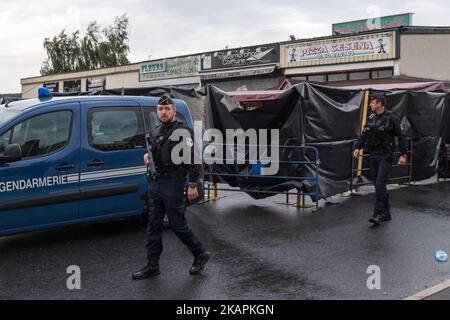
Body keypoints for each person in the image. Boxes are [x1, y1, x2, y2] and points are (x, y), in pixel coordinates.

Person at [132, 94, 210, 280]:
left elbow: (193, 159)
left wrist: (192, 184)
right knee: (153, 226)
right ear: (157, 112)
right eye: (160, 109)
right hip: (156, 183)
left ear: (174, 111)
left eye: (167, 109)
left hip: (174, 183)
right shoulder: (156, 131)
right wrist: (147, 157)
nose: (163, 112)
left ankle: (200, 253)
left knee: (177, 225)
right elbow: (155, 151)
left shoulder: (183, 131)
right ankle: (152, 266)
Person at [353, 92, 408, 226]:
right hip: (373, 155)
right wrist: (358, 147)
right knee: (378, 185)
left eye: (373, 102)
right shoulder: (371, 117)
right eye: (371, 102)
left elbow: (402, 137)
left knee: (379, 184)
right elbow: (365, 134)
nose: (371, 104)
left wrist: (403, 155)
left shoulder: (391, 118)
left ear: (380, 103)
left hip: (385, 155)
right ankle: (386, 212)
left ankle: (377, 213)